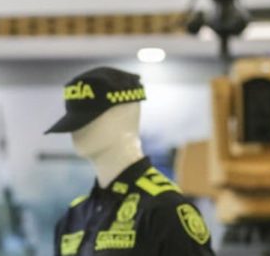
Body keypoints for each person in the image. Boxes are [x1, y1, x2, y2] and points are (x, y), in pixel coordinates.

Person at [45, 66, 214, 256]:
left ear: (122, 116)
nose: (77, 133)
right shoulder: (73, 217)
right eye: (75, 123)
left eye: (89, 121)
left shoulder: (164, 209)